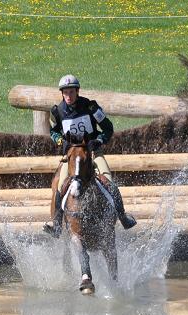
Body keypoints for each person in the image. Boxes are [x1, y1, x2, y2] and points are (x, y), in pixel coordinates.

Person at [43, 74, 137, 237]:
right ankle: (57, 226)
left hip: (93, 152)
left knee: (109, 181)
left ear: (77, 91)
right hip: (72, 155)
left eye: (71, 92)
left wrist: (99, 140)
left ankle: (123, 217)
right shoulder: (57, 112)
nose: (68, 96)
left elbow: (108, 128)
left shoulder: (91, 108)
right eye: (65, 93)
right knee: (59, 187)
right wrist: (60, 142)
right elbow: (53, 131)